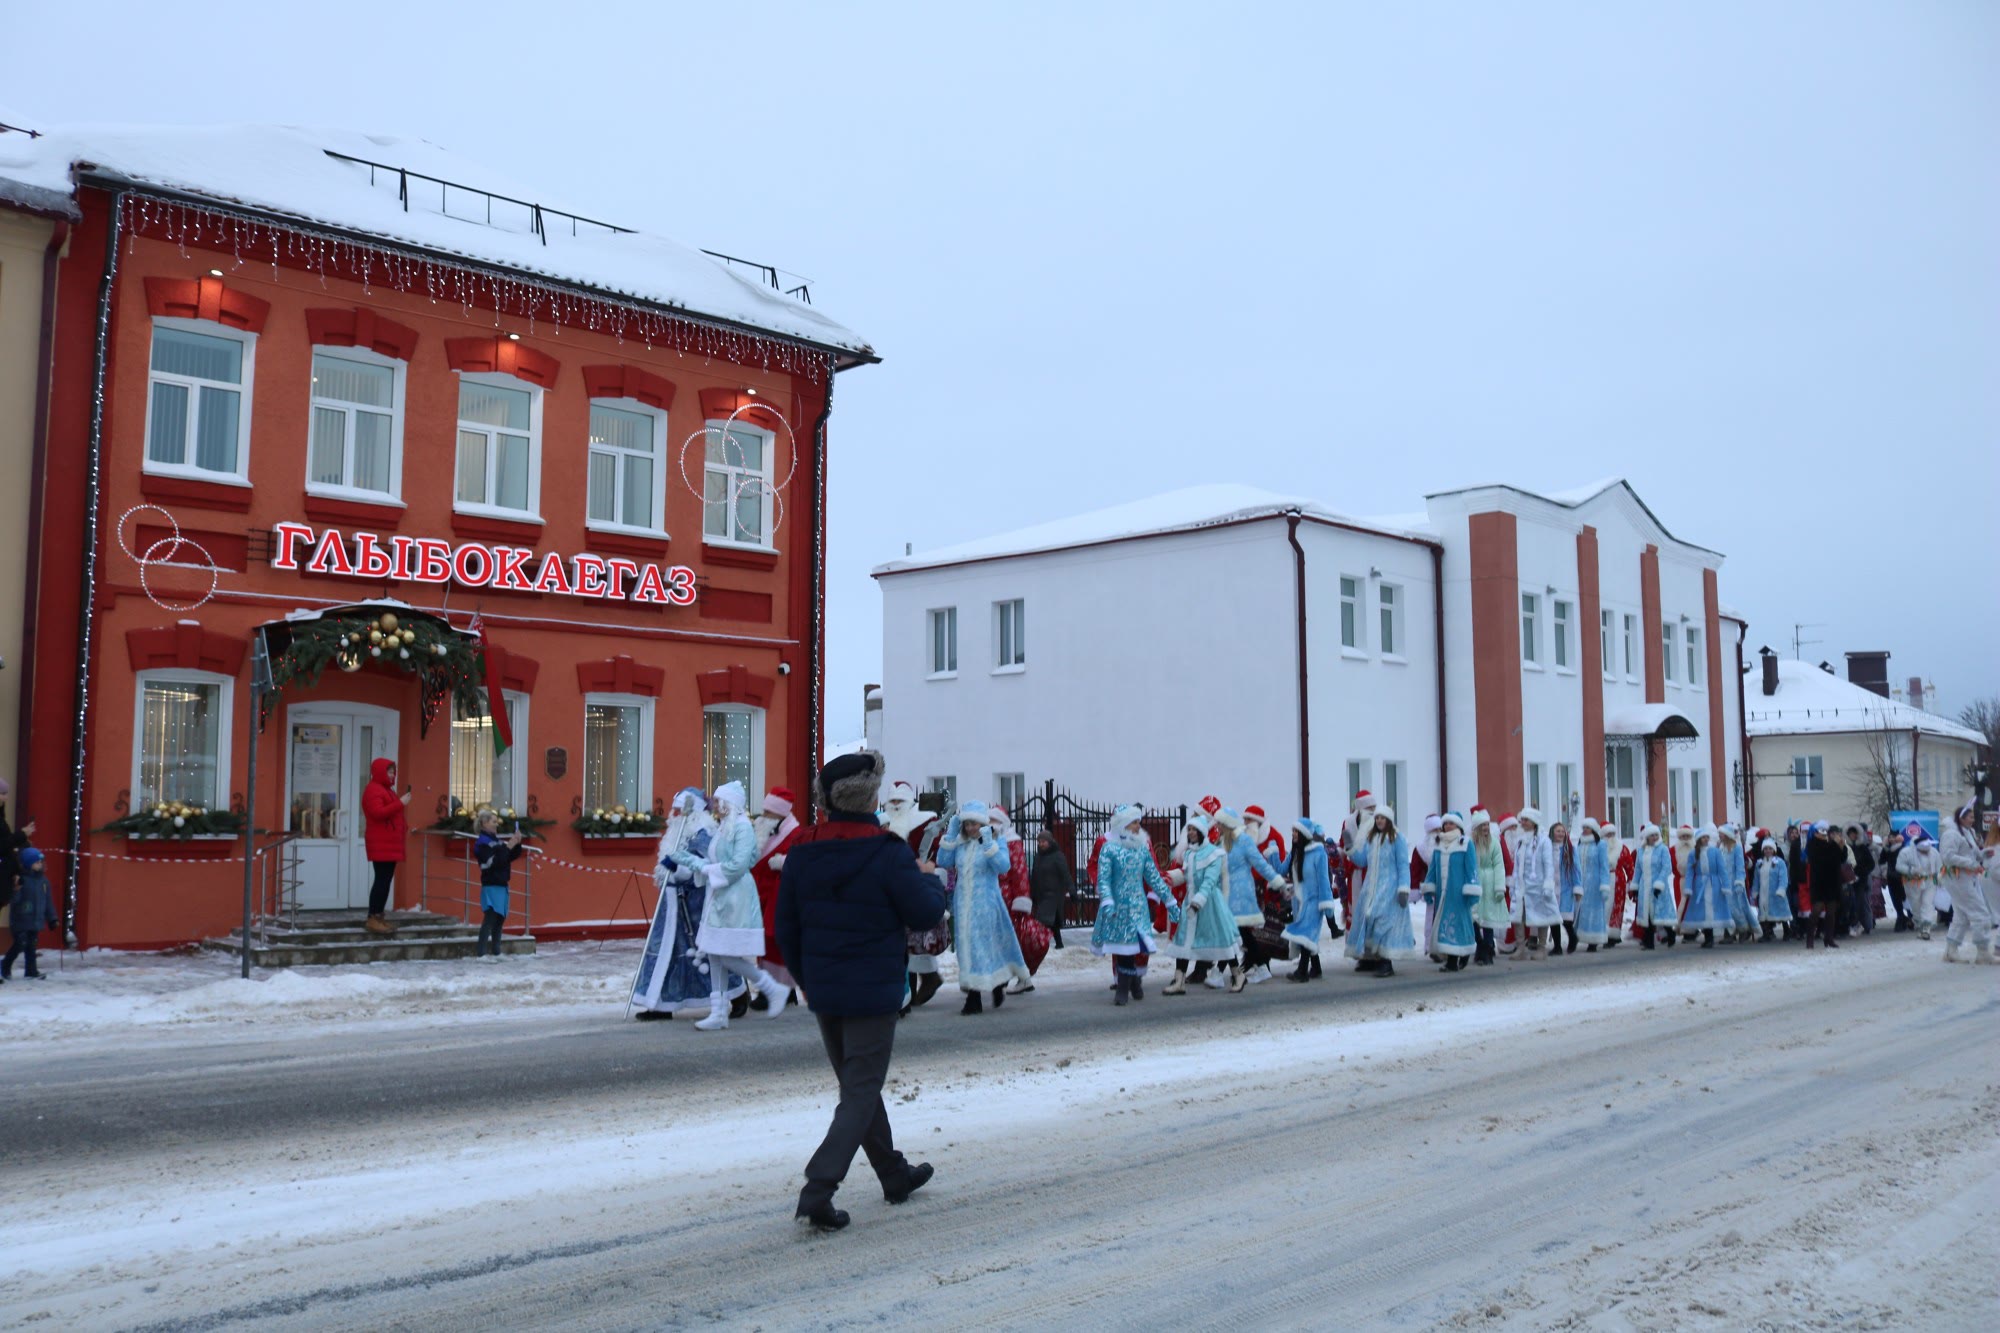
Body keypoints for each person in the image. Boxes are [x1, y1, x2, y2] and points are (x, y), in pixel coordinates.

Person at [777, 750, 947, 1232]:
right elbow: (924, 914)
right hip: (873, 992)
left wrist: (807, 980)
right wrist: (930, 881)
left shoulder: (804, 849)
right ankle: (818, 1188)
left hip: (825, 990)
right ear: (871, 796)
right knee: (859, 1091)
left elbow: (786, 929)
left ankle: (893, 1175)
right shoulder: (888, 851)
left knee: (858, 1089)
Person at [686, 781, 791, 1030]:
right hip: (720, 895)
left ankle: (770, 987)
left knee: (727, 955)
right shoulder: (725, 826)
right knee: (713, 952)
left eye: (719, 801)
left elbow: (738, 865)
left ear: (730, 802)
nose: (715, 805)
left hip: (735, 897)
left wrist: (703, 867)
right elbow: (716, 858)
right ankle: (719, 1012)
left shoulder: (742, 827)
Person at [633, 789, 741, 1021]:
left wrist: (680, 868)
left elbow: (708, 866)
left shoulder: (703, 834)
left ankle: (736, 994)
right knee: (668, 954)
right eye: (677, 808)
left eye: (682, 808)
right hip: (672, 906)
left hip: (694, 906)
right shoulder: (677, 832)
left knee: (707, 953)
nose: (677, 813)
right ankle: (662, 1004)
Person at [936, 802, 1031, 1014]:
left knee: (983, 947)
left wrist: (988, 843)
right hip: (963, 904)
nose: (971, 828)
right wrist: (950, 835)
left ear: (983, 823)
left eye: (975, 824)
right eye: (967, 824)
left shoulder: (996, 839)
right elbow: (943, 861)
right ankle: (990, 985)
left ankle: (976, 996)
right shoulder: (960, 843)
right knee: (967, 948)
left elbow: (1003, 866)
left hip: (986, 904)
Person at [1091, 805, 1176, 1004]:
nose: (1139, 826)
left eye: (1139, 822)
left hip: (1137, 904)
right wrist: (1107, 897)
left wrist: (1165, 898)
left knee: (1136, 944)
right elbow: (1102, 875)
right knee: (1121, 946)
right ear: (1123, 824)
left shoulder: (1143, 846)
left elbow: (1153, 874)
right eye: (1135, 822)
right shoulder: (1108, 847)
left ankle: (1133, 981)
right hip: (1117, 904)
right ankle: (1124, 986)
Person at [881, 782, 946, 1008]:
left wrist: (929, 866)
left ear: (909, 802)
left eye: (900, 801)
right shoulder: (885, 824)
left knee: (911, 937)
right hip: (890, 886)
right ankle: (915, 987)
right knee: (901, 939)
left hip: (915, 883)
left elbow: (938, 850)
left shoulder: (923, 822)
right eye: (893, 801)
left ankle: (918, 985)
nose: (896, 805)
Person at [1162, 813, 1243, 993]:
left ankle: (1238, 974)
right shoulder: (1190, 854)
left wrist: (1198, 901)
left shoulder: (1214, 854)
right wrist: (1171, 878)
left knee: (1222, 940)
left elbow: (1209, 881)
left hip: (1210, 904)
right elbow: (1186, 875)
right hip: (1190, 903)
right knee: (1184, 940)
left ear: (1201, 832)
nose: (1190, 832)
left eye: (1193, 829)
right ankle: (1179, 981)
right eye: (1189, 829)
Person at [1216, 809, 1288, 980]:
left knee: (1237, 933)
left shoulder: (1244, 841)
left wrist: (1277, 880)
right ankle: (1260, 968)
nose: (1217, 826)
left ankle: (1217, 973)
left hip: (1242, 895)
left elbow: (1261, 864)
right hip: (1228, 894)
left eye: (1220, 823)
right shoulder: (1222, 842)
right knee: (1242, 934)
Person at [750, 787, 803, 1007]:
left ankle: (777, 989)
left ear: (781, 813)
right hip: (761, 895)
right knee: (763, 942)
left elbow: (802, 862)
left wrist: (783, 862)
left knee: (776, 942)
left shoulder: (796, 833)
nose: (764, 816)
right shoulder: (763, 830)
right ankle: (776, 989)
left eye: (768, 812)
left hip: (780, 895)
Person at [1347, 805, 1414, 977]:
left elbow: (1403, 865)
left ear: (1389, 820)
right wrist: (1350, 848)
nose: (1379, 821)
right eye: (1377, 818)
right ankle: (1373, 959)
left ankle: (1386, 962)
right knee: (1370, 920)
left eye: (1382, 818)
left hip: (1390, 888)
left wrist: (1403, 888)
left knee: (1384, 922)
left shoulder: (1397, 839)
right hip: (1371, 888)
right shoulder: (1372, 839)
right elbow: (1362, 861)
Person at [990, 806, 1047, 992]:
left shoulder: (1011, 842)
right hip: (995, 899)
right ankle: (1011, 977)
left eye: (994, 820)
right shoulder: (990, 841)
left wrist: (1021, 900)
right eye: (989, 820)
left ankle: (1021, 978)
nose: (991, 824)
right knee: (1003, 941)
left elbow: (1020, 873)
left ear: (1003, 823)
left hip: (1008, 900)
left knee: (1013, 942)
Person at [359, 757, 411, 936]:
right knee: (381, 881)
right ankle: (373, 917)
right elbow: (378, 813)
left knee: (385, 881)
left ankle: (378, 916)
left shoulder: (386, 790)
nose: (392, 775)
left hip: (389, 843)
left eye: (393, 771)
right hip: (381, 843)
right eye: (389, 771)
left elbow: (391, 815)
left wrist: (403, 826)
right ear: (381, 772)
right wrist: (400, 803)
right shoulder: (373, 790)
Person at [1280, 817, 1336, 979]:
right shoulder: (1296, 852)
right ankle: (1316, 968)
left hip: (1315, 901)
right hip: (1299, 902)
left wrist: (1327, 905)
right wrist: (1273, 854)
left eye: (1296, 831)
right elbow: (1282, 869)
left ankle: (1302, 971)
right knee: (1307, 935)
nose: (1293, 834)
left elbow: (1324, 882)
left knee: (1305, 934)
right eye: (1292, 831)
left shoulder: (1319, 853)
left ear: (1304, 833)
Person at [1423, 812, 1478, 971]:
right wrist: (1429, 886)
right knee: (1445, 925)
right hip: (1443, 894)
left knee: (1461, 924)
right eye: (1445, 823)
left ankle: (1463, 952)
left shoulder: (1466, 844)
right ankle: (1452, 960)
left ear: (1458, 826)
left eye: (1451, 823)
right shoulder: (1439, 845)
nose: (1448, 826)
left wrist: (1471, 888)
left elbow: (1471, 868)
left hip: (1459, 893)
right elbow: (1432, 869)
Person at [1939, 803, 1993, 964]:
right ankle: (1983, 952)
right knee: (1980, 913)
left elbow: (1972, 853)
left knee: (1961, 915)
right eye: (1970, 817)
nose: (1973, 820)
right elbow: (1948, 857)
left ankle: (1951, 951)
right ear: (1961, 818)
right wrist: (1971, 864)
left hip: (1966, 878)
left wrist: (1983, 854)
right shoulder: (1951, 834)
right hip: (1957, 879)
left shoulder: (1967, 832)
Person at [472, 810, 528, 961]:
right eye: (493, 821)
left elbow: (508, 857)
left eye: (496, 821)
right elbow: (493, 862)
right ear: (484, 823)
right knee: (490, 918)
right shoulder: (482, 843)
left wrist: (516, 843)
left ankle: (496, 951)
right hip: (491, 884)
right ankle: (481, 953)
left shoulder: (496, 840)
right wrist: (509, 845)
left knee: (500, 919)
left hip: (502, 883)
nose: (496, 824)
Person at [1510, 808, 1559, 961]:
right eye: (1522, 820)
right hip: (1522, 886)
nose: (1522, 822)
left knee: (1542, 916)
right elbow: (1517, 865)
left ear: (1534, 822)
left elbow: (1548, 864)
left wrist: (1548, 884)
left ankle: (1542, 947)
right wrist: (1514, 883)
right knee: (1519, 916)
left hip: (1538, 886)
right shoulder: (1521, 840)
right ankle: (1520, 947)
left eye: (1526, 820)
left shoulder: (1544, 841)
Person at [3, 848, 54, 981]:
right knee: (20, 943)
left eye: (40, 862)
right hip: (21, 919)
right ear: (28, 864)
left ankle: (31, 971)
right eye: (37, 862)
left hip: (36, 920)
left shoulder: (43, 881)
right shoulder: (22, 879)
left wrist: (52, 918)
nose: (40, 864)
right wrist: (16, 889)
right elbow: (14, 900)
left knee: (31, 946)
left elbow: (48, 901)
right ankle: (5, 965)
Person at [1679, 826, 1730, 948]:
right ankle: (1707, 936)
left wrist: (1725, 885)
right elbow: (1690, 872)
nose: (1706, 839)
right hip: (1699, 885)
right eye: (1703, 838)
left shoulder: (1715, 852)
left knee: (1712, 911)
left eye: (1707, 837)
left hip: (1714, 884)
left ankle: (1710, 938)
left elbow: (1722, 869)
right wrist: (1688, 887)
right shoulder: (1693, 854)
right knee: (1702, 912)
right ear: (1698, 840)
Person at [1469, 809, 1508, 964]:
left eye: (1487, 824)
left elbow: (1499, 865)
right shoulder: (1471, 844)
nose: (1486, 828)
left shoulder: (1495, 843)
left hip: (1490, 885)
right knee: (1474, 917)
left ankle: (1488, 948)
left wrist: (1499, 887)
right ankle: (1480, 945)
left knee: (1488, 919)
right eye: (1483, 825)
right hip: (1475, 883)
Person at [1028, 828, 1073, 950]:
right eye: (1039, 841)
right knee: (1052, 922)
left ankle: (1040, 945)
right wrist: (1031, 892)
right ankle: (1058, 944)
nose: (1041, 844)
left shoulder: (1058, 856)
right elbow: (1034, 874)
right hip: (1041, 894)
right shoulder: (1038, 857)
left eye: (1043, 841)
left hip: (1053, 894)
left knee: (1044, 920)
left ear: (1050, 842)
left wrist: (1072, 890)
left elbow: (1065, 874)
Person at [1633, 824, 1676, 948]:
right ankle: (1648, 942)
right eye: (1652, 835)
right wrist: (1635, 886)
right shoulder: (1641, 850)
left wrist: (1659, 884)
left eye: (1656, 834)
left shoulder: (1663, 849)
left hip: (1658, 887)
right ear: (1646, 837)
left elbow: (1667, 867)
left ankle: (1670, 933)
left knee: (1661, 914)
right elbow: (1638, 869)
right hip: (1644, 887)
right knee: (1647, 915)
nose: (1655, 837)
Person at [1573, 818, 1613, 950]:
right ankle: (1579, 936)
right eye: (1583, 827)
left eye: (1587, 827)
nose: (1585, 830)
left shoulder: (1600, 845)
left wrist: (1604, 885)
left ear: (1594, 830)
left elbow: (1604, 866)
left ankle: (1594, 941)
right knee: (1580, 912)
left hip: (1595, 885)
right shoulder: (1579, 845)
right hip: (1581, 883)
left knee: (1594, 912)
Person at [1899, 823, 1942, 940]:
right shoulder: (1906, 853)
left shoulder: (1934, 853)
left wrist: (1939, 877)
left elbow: (1939, 867)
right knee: (1916, 905)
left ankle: (1926, 928)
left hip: (1930, 882)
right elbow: (1899, 866)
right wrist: (1911, 870)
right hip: (1912, 883)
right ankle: (1919, 925)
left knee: (1927, 904)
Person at [1718, 825, 1753, 942]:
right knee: (1725, 908)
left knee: (1735, 908)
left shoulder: (1737, 848)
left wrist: (1739, 881)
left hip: (1733, 882)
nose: (1719, 836)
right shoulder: (1720, 848)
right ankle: (1729, 933)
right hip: (1723, 883)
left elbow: (1740, 866)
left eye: (1721, 834)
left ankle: (1743, 929)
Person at [1753, 837, 1792, 940]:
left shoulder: (1779, 862)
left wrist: (1781, 889)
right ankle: (1767, 933)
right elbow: (1756, 879)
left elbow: (1783, 877)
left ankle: (1787, 930)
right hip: (1763, 893)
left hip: (1776, 893)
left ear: (1774, 850)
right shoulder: (1759, 863)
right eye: (1765, 849)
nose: (1768, 851)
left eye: (1770, 848)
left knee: (1781, 912)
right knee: (1764, 913)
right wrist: (1755, 891)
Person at [1549, 821, 1579, 956]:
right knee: (1553, 918)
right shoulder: (1548, 848)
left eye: (1562, 831)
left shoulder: (1570, 849)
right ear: (1552, 833)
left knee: (1566, 918)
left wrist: (1578, 887)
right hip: (1551, 888)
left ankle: (1573, 938)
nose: (1560, 833)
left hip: (1566, 888)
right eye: (1557, 831)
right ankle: (1557, 947)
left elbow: (1576, 869)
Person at [1846, 825, 1877, 937]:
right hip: (1848, 880)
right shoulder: (1845, 847)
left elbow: (1871, 864)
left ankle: (1866, 925)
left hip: (1861, 880)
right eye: (1851, 833)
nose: (1853, 836)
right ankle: (1851, 925)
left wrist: (1862, 872)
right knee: (1850, 904)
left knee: (1861, 903)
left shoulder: (1862, 847)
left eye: (1855, 833)